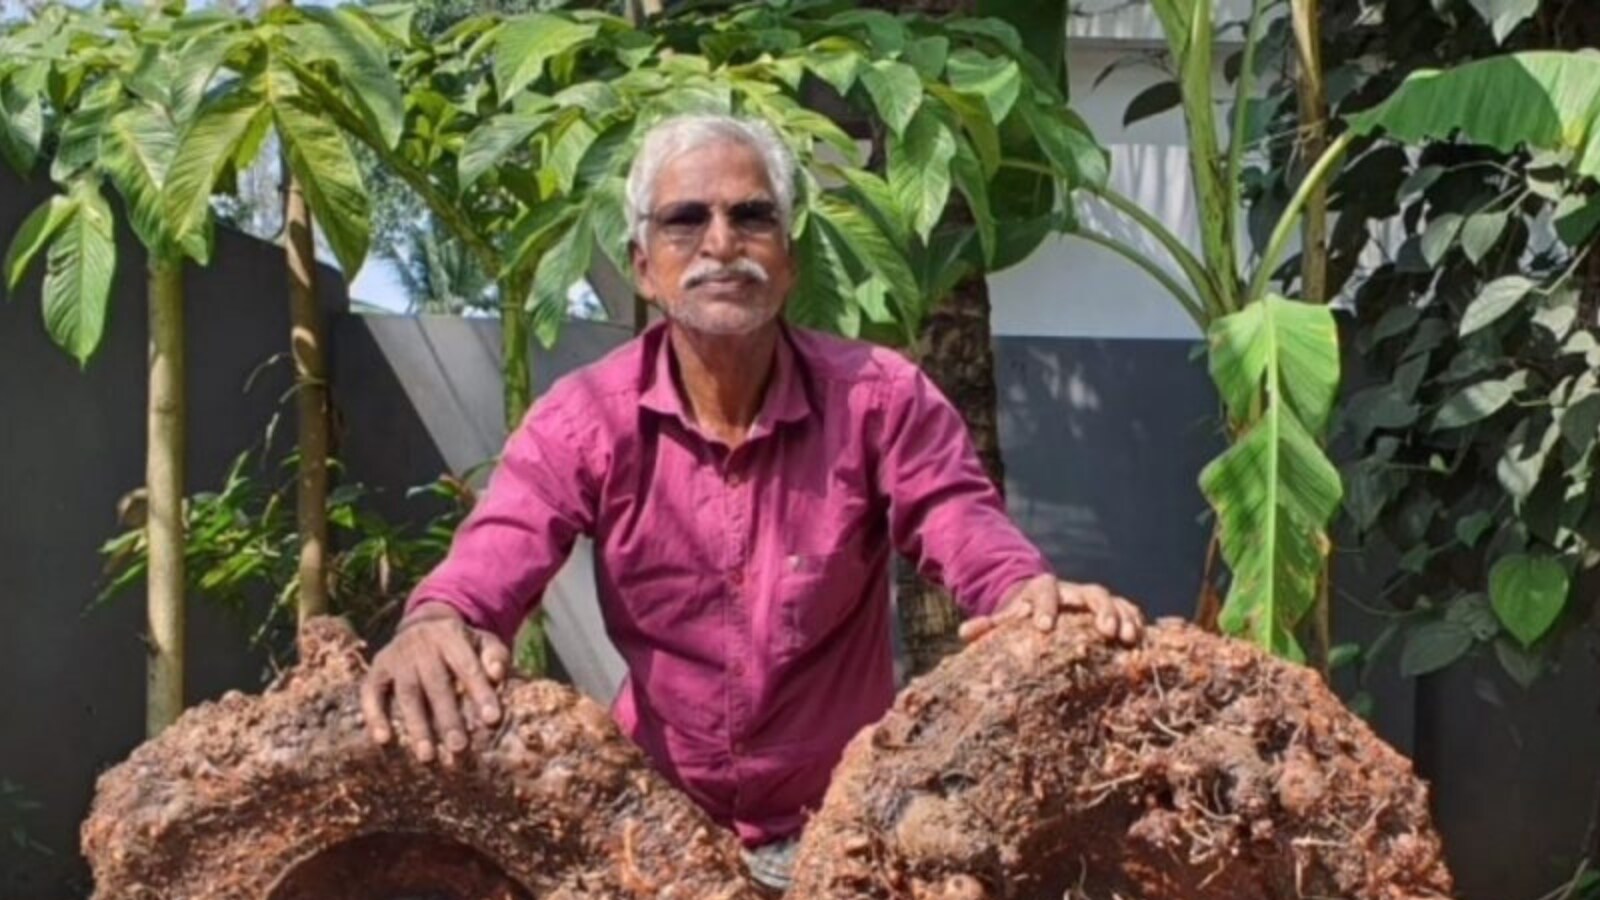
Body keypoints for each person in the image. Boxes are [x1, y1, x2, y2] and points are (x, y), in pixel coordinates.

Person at [359, 113, 1144, 894]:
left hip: (845, 828)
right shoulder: (586, 419)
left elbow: (958, 516)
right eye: (686, 220)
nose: (722, 243)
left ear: (790, 259)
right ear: (643, 266)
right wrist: (438, 622)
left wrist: (1025, 598)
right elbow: (502, 544)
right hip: (654, 828)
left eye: (752, 215)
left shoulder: (879, 399)